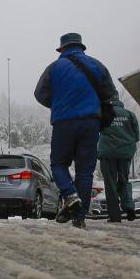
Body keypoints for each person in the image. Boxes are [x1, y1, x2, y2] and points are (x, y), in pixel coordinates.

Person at [34, 32, 116, 228]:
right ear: (81, 47)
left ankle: (70, 195)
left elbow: (39, 94)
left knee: (58, 163)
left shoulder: (54, 68)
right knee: (85, 170)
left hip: (64, 122)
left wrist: (58, 103)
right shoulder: (97, 65)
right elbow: (110, 93)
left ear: (62, 49)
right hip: (90, 122)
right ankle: (79, 217)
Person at [97, 97, 140, 222]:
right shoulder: (130, 114)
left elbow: (96, 130)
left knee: (110, 184)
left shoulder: (104, 113)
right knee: (124, 180)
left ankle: (115, 216)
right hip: (125, 153)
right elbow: (136, 136)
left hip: (107, 152)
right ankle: (129, 207)